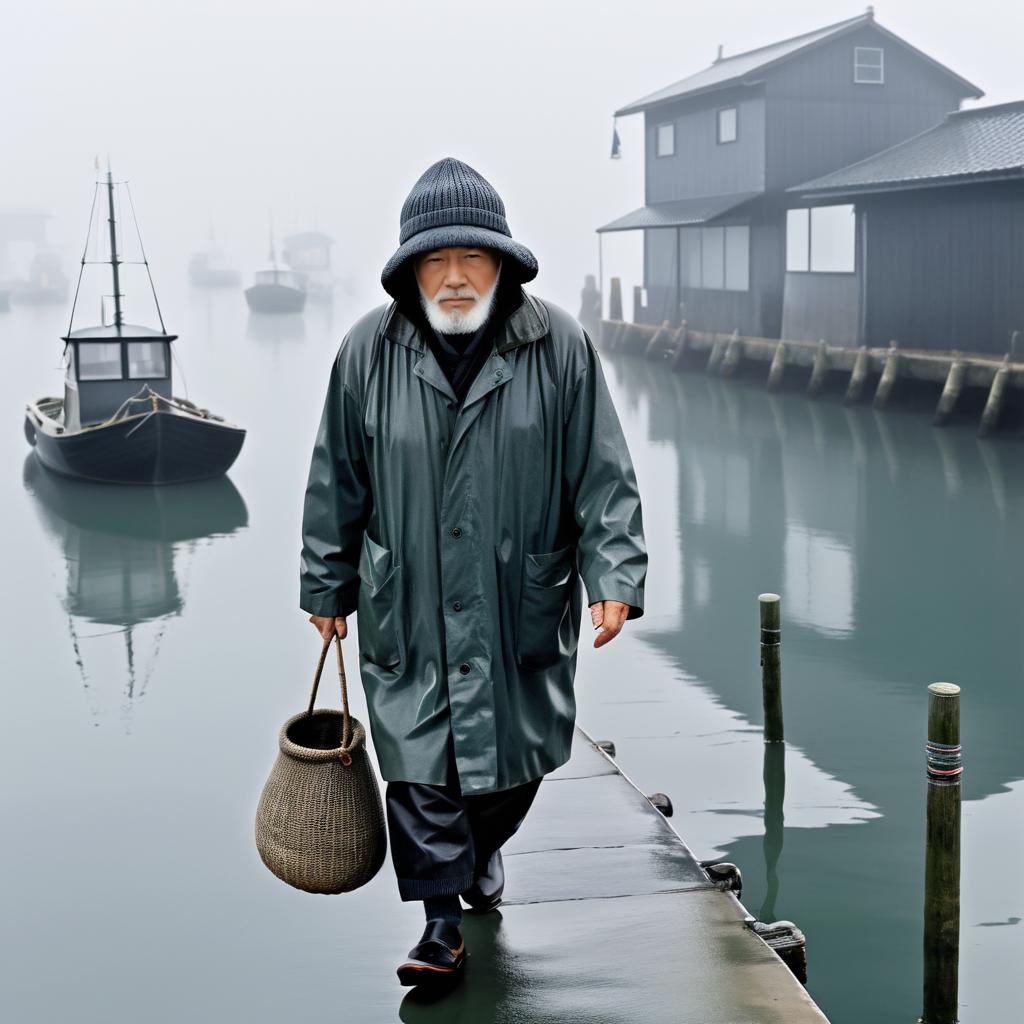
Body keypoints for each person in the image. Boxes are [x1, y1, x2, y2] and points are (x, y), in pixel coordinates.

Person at [299, 157, 647, 987]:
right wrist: (326, 584)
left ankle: (481, 848)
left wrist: (614, 574)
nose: (454, 278)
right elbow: (335, 477)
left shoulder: (558, 346)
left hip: (517, 603)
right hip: (407, 601)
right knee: (419, 763)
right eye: (435, 261)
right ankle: (441, 925)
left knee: (511, 765)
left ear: (502, 262)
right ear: (410, 271)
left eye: (472, 259)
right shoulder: (366, 354)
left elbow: (603, 475)